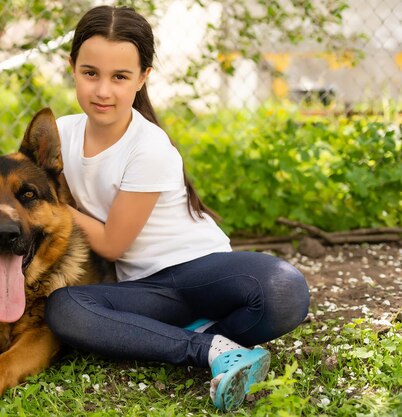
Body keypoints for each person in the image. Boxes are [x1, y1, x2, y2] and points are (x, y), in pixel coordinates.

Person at [44, 5, 310, 412]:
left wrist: (53, 206)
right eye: (90, 73)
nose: (103, 91)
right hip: (146, 291)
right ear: (71, 67)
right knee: (65, 308)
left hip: (199, 270)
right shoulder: (60, 133)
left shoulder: (148, 146)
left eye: (120, 77)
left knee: (284, 289)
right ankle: (210, 347)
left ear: (143, 77)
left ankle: (174, 339)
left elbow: (112, 244)